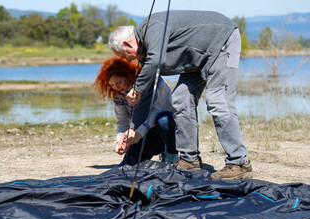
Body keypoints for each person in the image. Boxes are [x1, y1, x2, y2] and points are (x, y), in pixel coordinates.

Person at [108, 10, 253, 179]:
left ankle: (239, 163)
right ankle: (189, 160)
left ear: (128, 44)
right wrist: (133, 130)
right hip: (197, 60)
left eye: (126, 56)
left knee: (218, 102)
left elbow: (156, 60)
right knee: (180, 100)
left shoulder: (152, 27)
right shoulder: (146, 54)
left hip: (221, 41)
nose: (128, 61)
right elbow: (146, 95)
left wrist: (136, 88)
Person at [94, 56, 178, 166]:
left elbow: (155, 112)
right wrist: (120, 141)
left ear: (128, 75)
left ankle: (171, 153)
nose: (117, 87)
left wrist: (138, 134)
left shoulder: (148, 84)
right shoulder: (118, 95)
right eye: (112, 85)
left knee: (162, 119)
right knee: (128, 164)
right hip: (142, 131)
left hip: (166, 127)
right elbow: (122, 121)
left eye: (119, 82)